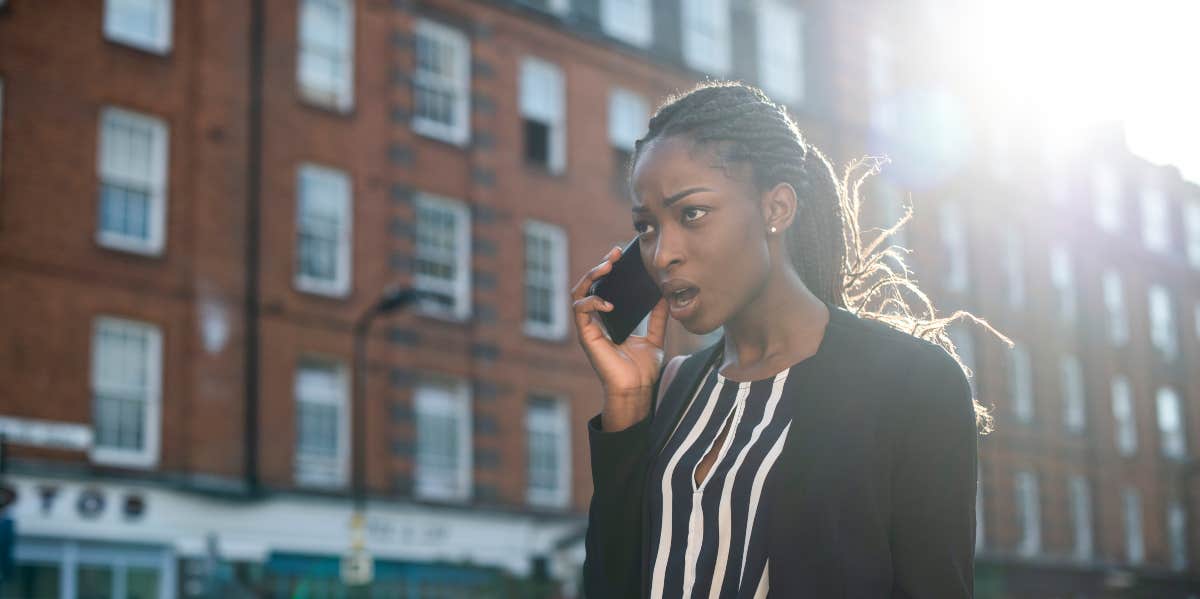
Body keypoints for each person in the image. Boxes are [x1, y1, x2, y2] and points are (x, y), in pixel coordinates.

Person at [571, 81, 1007, 598]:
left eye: (691, 214)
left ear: (776, 209)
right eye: (647, 227)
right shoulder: (670, 387)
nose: (662, 254)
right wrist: (625, 405)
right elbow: (608, 584)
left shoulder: (913, 381)